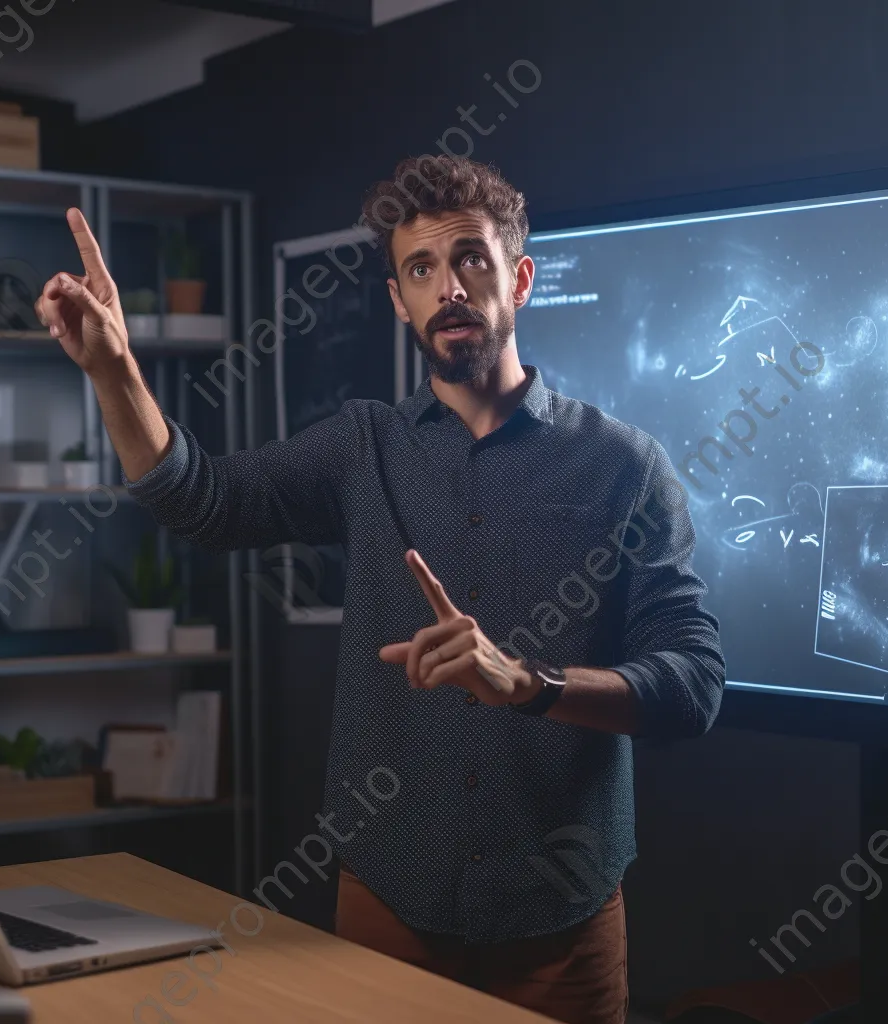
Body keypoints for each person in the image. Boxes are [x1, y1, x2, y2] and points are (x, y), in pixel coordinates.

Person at [35, 154, 726, 1024]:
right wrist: (113, 370)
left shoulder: (626, 465)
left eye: (471, 259)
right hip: (389, 902)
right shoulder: (363, 446)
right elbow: (202, 499)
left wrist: (530, 685)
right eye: (421, 269)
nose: (450, 288)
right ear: (398, 299)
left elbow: (694, 683)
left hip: (562, 922)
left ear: (518, 278)